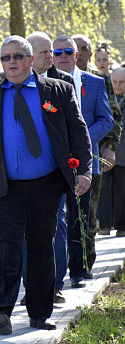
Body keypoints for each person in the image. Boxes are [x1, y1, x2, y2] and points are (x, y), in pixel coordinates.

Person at [0, 35, 92, 335]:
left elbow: (79, 133)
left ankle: (38, 313)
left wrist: (84, 171)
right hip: (4, 186)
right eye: (6, 58)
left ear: (30, 59)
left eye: (18, 57)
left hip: (45, 184)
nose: (12, 63)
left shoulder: (57, 91)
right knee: (6, 247)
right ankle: (1, 310)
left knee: (40, 248)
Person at [53, 35, 114, 288]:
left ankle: (79, 269)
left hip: (85, 162)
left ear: (77, 55)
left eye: (69, 51)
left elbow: (107, 119)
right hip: (53, 162)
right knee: (56, 218)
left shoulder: (95, 83)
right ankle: (55, 271)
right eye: (58, 52)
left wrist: (82, 139)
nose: (63, 56)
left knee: (82, 217)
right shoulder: (44, 84)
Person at [20, 31, 75, 305]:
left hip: (54, 170)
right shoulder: (12, 84)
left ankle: (54, 284)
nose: (50, 56)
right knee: (26, 231)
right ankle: (31, 286)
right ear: (30, 56)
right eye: (44, 52)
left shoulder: (62, 83)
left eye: (51, 51)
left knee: (57, 226)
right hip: (20, 173)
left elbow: (74, 127)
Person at [71, 35, 122, 271]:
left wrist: (109, 148)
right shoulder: (54, 79)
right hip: (63, 159)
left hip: (93, 156)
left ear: (90, 53)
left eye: (84, 49)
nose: (79, 53)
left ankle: (85, 263)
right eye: (76, 48)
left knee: (89, 213)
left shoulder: (99, 80)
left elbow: (113, 117)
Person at [98, 68, 125, 237]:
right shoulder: (105, 97)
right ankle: (104, 225)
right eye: (114, 82)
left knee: (121, 190)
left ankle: (121, 225)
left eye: (121, 82)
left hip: (123, 154)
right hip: (105, 151)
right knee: (104, 188)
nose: (117, 85)